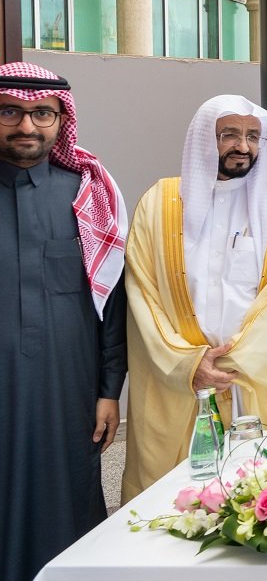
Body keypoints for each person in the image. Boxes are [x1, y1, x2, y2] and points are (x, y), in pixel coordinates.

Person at [123, 96, 267, 501]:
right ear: (204, 140)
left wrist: (232, 361)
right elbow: (143, 292)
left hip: (254, 380)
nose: (242, 146)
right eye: (229, 134)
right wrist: (187, 362)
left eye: (252, 136)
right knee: (173, 501)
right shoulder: (159, 202)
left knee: (265, 498)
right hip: (178, 380)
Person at [0, 63, 127, 581]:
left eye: (42, 114)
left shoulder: (87, 193)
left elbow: (111, 304)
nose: (27, 126)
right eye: (11, 111)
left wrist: (108, 391)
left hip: (66, 390)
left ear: (61, 121)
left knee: (65, 499)